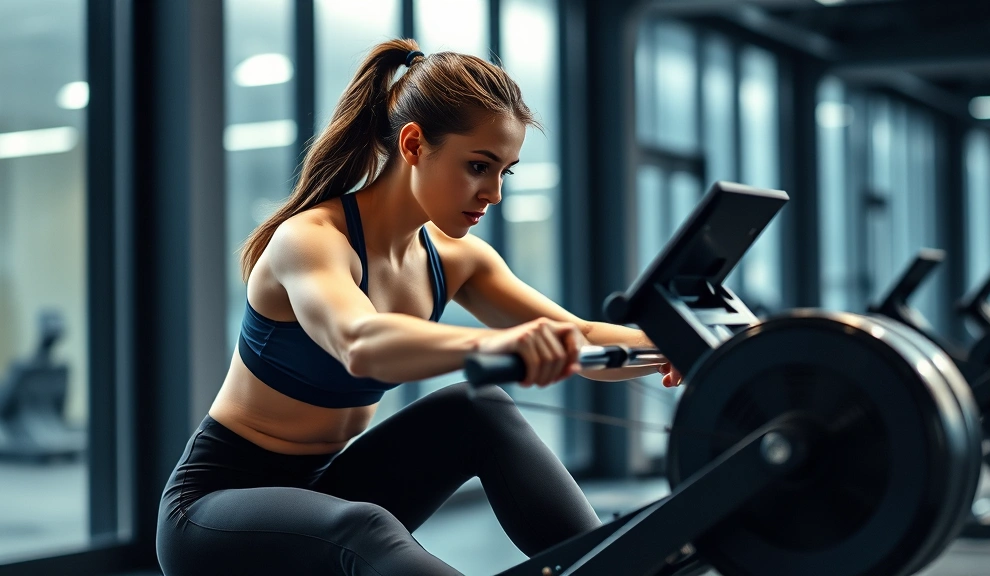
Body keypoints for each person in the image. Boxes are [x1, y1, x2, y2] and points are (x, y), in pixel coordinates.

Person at [156, 38, 683, 576]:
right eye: (479, 166)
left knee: (476, 410)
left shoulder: (456, 259)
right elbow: (362, 344)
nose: (494, 193)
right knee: (367, 528)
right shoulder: (311, 240)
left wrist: (690, 347)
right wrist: (498, 344)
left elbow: (580, 337)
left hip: (326, 488)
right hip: (211, 510)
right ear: (412, 145)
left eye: (506, 171)